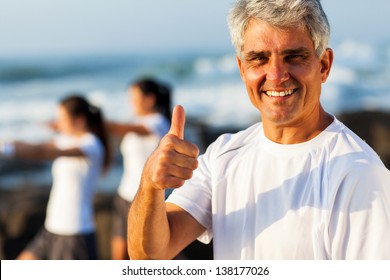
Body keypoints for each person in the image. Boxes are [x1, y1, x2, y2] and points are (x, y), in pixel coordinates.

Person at [127, 0, 390, 260]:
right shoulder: (223, 156)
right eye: (258, 59)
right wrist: (151, 186)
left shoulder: (359, 174)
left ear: (324, 65)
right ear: (242, 69)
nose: (276, 75)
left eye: (294, 57)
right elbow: (148, 257)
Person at [0, 95, 111, 260]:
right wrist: (6, 145)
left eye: (62, 119)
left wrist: (8, 152)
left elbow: (41, 153)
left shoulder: (91, 145)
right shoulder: (67, 139)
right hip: (51, 228)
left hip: (74, 233)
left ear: (79, 120)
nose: (58, 123)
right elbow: (37, 146)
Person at [107, 78, 171, 260]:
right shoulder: (137, 120)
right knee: (120, 257)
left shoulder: (158, 122)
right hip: (124, 196)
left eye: (134, 98)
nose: (130, 103)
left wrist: (100, 123)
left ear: (149, 99)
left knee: (154, 257)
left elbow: (130, 128)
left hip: (147, 199)